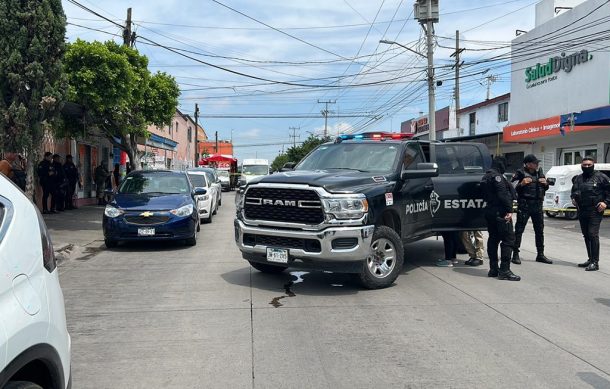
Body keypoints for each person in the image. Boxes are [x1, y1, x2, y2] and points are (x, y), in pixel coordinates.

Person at [481, 156, 520, 281]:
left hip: (490, 211)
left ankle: (493, 269)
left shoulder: (486, 176)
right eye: (504, 165)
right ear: (500, 165)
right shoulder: (497, 177)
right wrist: (509, 210)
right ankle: (504, 270)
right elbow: (502, 194)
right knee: (508, 240)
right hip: (500, 212)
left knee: (493, 239)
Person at [511, 154, 552, 265]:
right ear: (528, 164)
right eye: (535, 163)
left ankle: (540, 254)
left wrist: (546, 184)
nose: (537, 164)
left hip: (538, 205)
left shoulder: (540, 173)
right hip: (525, 205)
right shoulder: (520, 173)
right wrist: (521, 184)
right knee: (519, 230)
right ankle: (515, 254)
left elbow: (545, 187)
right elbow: (511, 187)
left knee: (539, 231)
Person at [571, 156, 610, 271]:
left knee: (592, 234)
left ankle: (595, 262)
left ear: (593, 164)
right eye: (584, 165)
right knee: (586, 235)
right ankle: (590, 258)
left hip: (595, 210)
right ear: (581, 165)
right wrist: (573, 198)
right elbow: (573, 191)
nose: (587, 166)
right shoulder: (578, 178)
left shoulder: (601, 177)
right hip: (582, 209)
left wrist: (606, 203)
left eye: (589, 164)